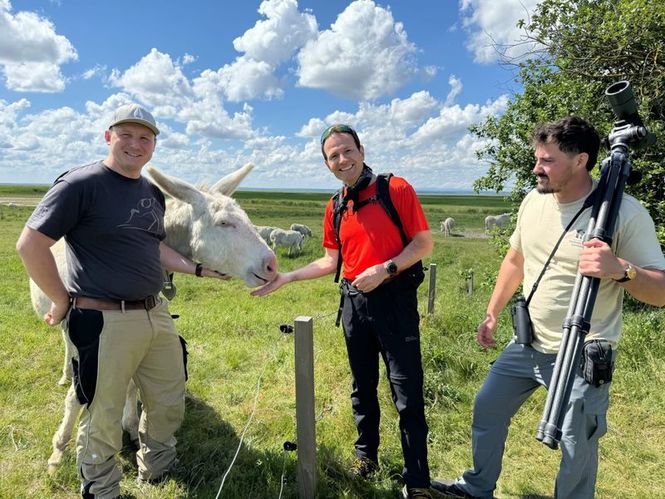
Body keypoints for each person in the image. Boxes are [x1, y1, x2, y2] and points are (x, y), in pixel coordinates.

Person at [431, 116, 665, 499]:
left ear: (581, 161)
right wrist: (492, 312)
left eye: (548, 161)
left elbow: (661, 291)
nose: (536, 168)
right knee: (487, 407)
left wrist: (620, 270)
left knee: (577, 446)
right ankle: (475, 488)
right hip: (527, 343)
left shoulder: (624, 213)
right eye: (536, 158)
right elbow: (515, 259)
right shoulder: (532, 201)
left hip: (583, 352)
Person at [16, 103, 225, 499]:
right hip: (104, 319)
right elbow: (30, 244)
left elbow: (155, 247)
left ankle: (157, 465)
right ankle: (101, 487)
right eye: (126, 135)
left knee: (168, 396)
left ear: (153, 146)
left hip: (154, 312)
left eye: (145, 137)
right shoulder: (81, 184)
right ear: (108, 136)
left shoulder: (150, 192)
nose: (136, 144)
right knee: (104, 411)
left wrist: (196, 269)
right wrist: (60, 300)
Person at [252, 124, 434, 498]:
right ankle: (366, 458)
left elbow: (423, 243)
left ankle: (417, 480)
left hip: (395, 302)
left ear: (361, 151)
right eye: (333, 156)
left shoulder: (395, 190)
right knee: (361, 386)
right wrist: (288, 277)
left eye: (347, 151)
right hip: (354, 304)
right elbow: (329, 260)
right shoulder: (335, 206)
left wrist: (386, 269)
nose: (342, 160)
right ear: (327, 164)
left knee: (407, 391)